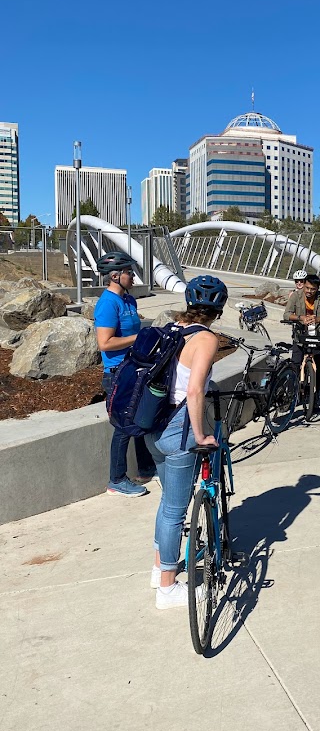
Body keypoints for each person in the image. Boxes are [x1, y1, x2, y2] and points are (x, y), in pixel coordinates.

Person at [144, 275, 227, 609]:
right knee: (176, 511)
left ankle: (158, 568)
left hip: (152, 423)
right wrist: (200, 434)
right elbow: (193, 390)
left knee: (167, 505)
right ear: (218, 309)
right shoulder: (205, 338)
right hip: (178, 427)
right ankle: (167, 588)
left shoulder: (173, 328)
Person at [94, 251, 156, 497]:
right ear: (114, 276)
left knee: (141, 419)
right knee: (123, 427)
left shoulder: (129, 300)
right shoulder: (107, 303)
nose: (133, 276)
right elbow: (105, 343)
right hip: (117, 373)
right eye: (129, 272)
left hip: (134, 369)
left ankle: (146, 468)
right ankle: (116, 480)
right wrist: (139, 337)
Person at [283, 274, 320, 388]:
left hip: (318, 334)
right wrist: (300, 318)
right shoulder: (296, 296)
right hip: (300, 334)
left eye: (313, 289)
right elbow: (287, 314)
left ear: (317, 288)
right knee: (296, 363)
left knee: (318, 363)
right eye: (307, 288)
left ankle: (315, 397)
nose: (309, 291)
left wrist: (317, 319)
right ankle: (294, 390)